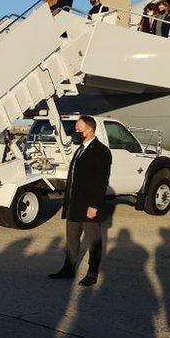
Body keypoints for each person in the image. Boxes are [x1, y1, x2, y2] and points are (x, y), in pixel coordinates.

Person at [49, 115, 112, 286]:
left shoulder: (101, 151)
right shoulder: (80, 149)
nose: (76, 130)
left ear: (90, 129)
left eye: (79, 127)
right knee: (72, 240)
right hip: (74, 204)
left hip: (89, 205)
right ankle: (68, 269)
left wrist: (94, 206)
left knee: (94, 241)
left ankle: (92, 273)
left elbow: (101, 181)